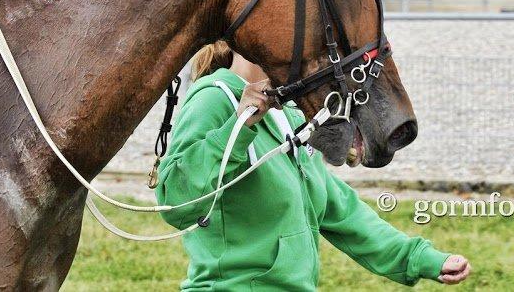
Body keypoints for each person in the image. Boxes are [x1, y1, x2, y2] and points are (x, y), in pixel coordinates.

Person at [155, 41, 471, 290]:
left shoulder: (289, 113)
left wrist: (418, 258)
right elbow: (177, 202)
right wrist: (238, 127)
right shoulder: (213, 99)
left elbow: (342, 210)